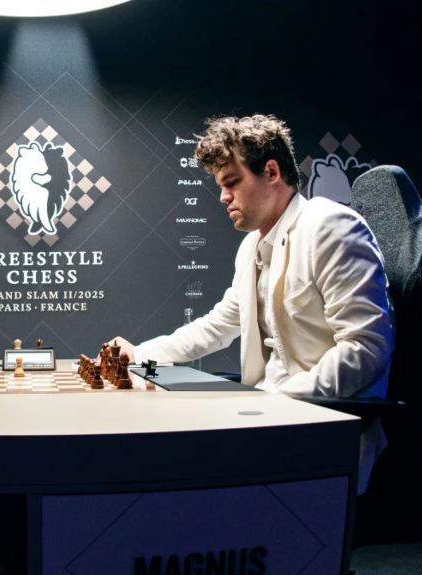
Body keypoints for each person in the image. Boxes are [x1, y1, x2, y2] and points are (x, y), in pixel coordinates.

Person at [107, 114, 394, 490]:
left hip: (323, 426)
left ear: (271, 172)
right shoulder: (253, 247)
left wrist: (271, 401)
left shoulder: (331, 226)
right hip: (269, 417)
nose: (224, 196)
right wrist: (142, 355)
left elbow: (366, 349)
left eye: (232, 182)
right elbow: (217, 324)